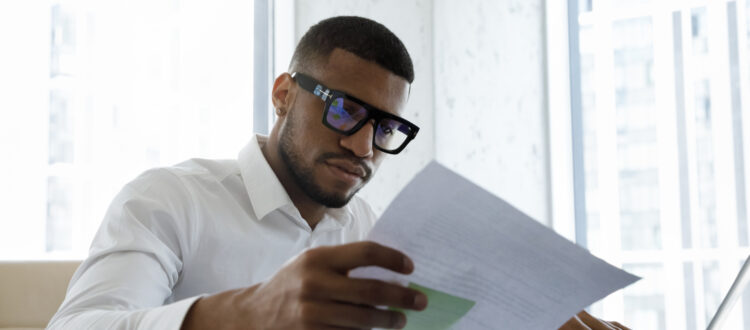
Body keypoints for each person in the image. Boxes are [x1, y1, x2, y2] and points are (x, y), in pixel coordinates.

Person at [48, 16, 627, 330]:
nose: (362, 145)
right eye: (344, 109)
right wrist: (248, 313)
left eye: (384, 128)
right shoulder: (168, 200)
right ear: (283, 94)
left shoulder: (375, 233)